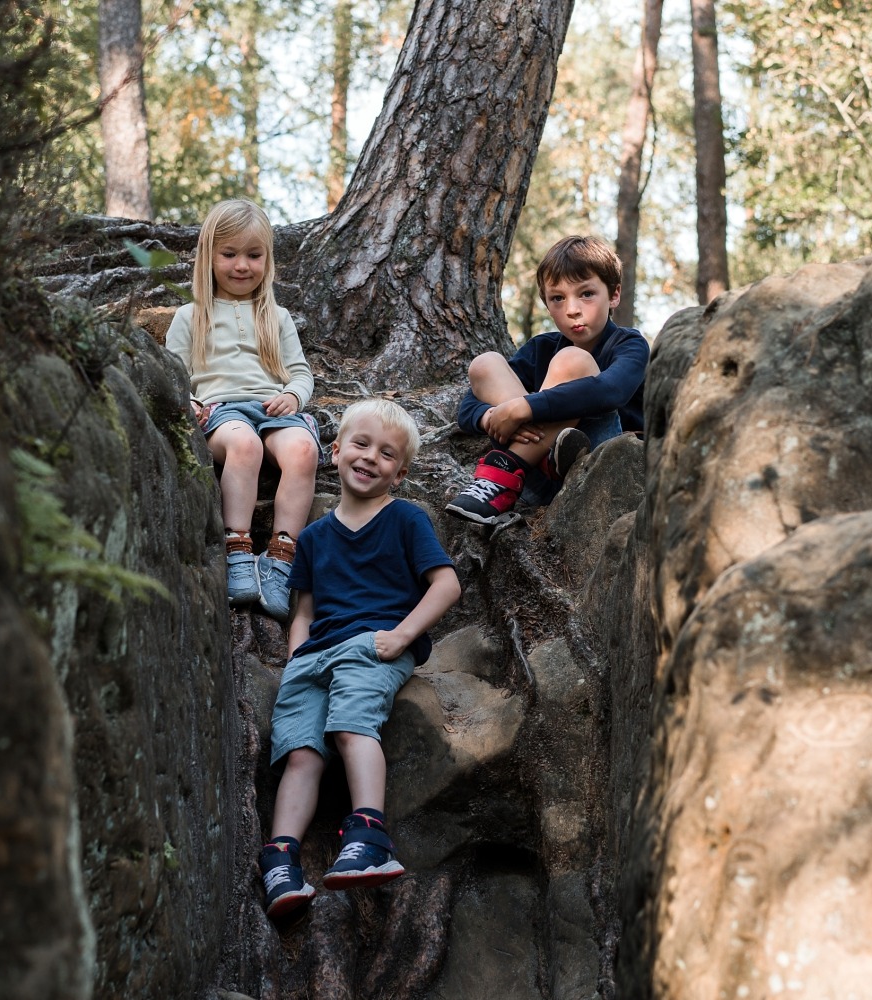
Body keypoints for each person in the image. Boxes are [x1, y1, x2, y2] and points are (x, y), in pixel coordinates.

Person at [258, 399, 461, 919]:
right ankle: (281, 859)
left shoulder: (406, 520)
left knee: (351, 727)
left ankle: (369, 834)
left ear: (401, 471)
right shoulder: (315, 536)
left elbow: (446, 584)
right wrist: (295, 657)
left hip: (372, 645)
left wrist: (401, 636)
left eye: (387, 453)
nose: (370, 457)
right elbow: (303, 608)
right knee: (301, 753)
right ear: (336, 450)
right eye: (361, 444)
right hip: (313, 658)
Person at [165, 199, 319, 619]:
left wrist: (294, 396)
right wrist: (192, 402)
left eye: (253, 255)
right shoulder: (189, 315)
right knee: (245, 446)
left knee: (304, 451)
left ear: (267, 260)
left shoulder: (276, 316)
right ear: (208, 256)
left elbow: (301, 374)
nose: (241, 266)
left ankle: (281, 558)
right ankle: (238, 550)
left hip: (274, 409)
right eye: (229, 254)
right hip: (221, 411)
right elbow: (174, 373)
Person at [445, 235, 648, 526]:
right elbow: (468, 408)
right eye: (558, 298)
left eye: (586, 294)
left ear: (614, 295)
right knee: (484, 364)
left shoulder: (629, 344)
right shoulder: (540, 349)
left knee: (573, 361)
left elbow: (611, 391)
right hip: (536, 478)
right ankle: (532, 460)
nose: (572, 309)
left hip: (599, 469)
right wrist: (492, 415)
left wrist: (522, 409)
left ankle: (501, 471)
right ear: (546, 303)